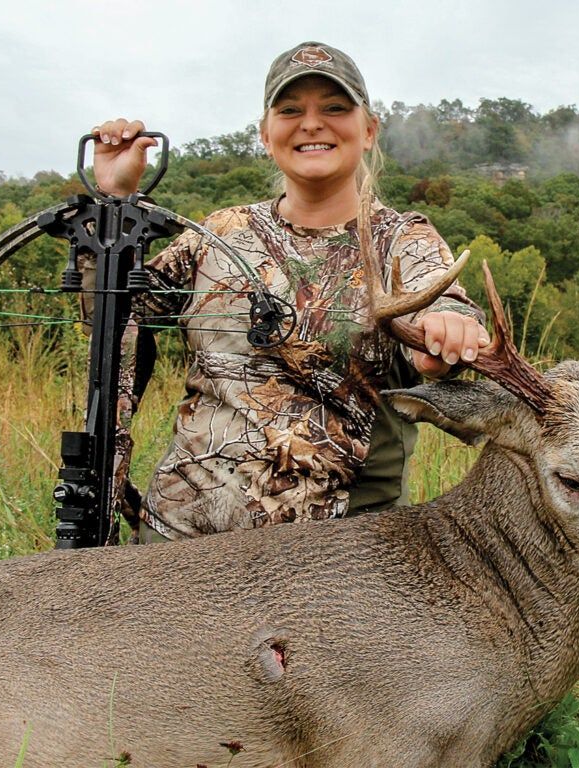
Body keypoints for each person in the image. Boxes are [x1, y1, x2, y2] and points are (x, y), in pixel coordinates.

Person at [89, 42, 487, 542]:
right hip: (179, 544)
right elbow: (110, 311)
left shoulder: (401, 239)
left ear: (368, 131)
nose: (312, 123)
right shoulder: (221, 232)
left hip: (330, 560)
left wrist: (446, 334)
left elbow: (447, 306)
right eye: (291, 110)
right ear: (265, 133)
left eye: (335, 109)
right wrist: (114, 202)